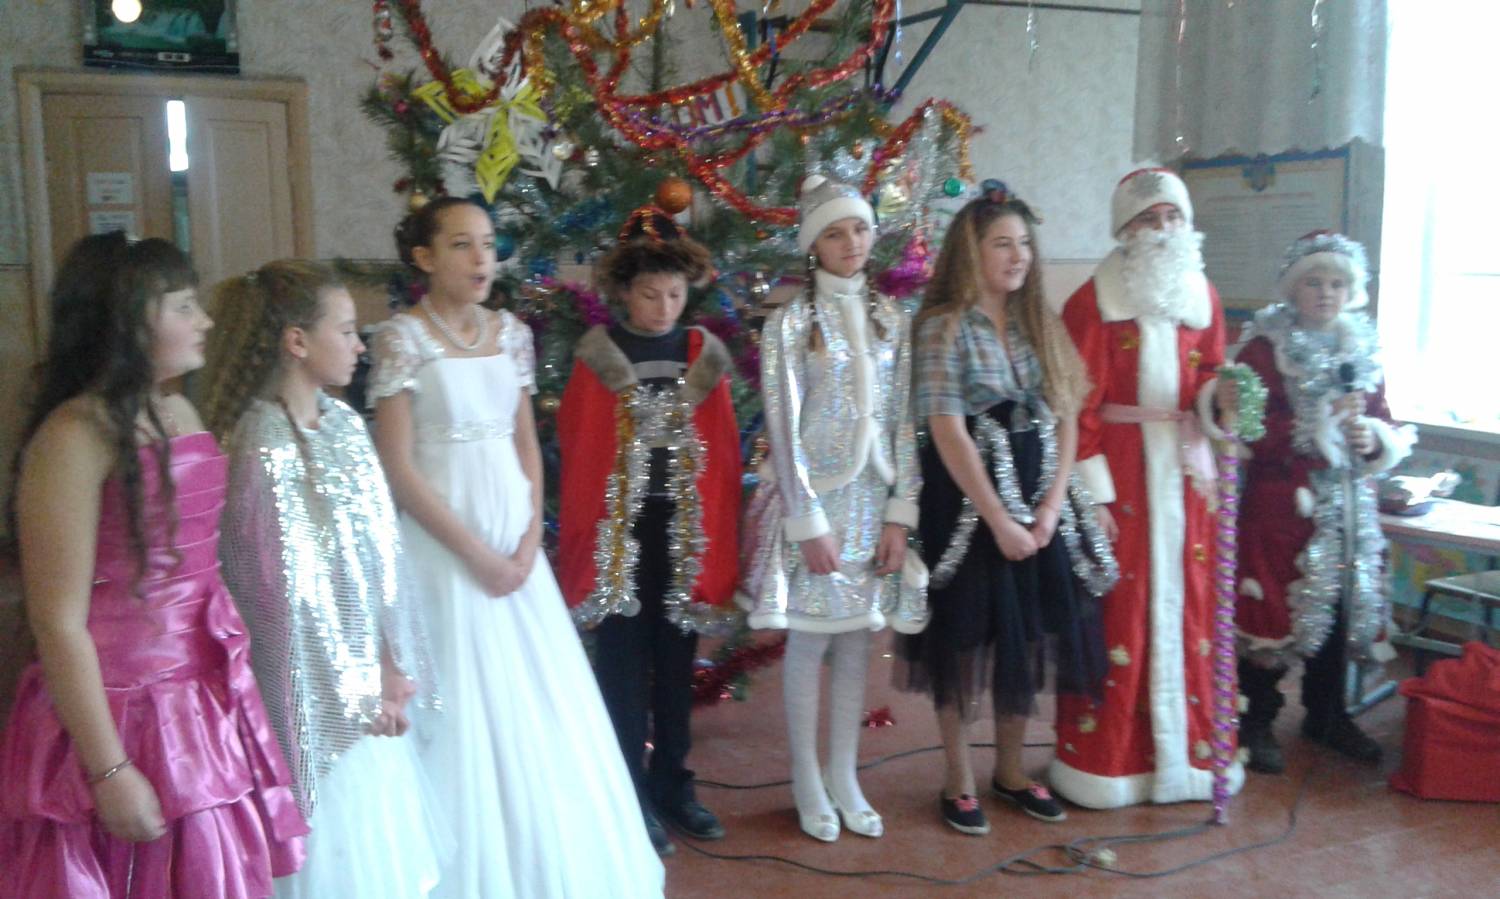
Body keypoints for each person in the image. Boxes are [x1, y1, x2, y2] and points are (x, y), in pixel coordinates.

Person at [368, 197, 663, 898]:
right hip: (445, 554)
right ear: (424, 257)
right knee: (461, 709)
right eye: (461, 245)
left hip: (516, 554)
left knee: (539, 707)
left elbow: (527, 441)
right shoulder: (401, 339)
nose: (481, 259)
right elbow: (397, 467)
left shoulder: (512, 334)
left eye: (488, 244)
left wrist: (530, 539)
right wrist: (474, 554)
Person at [0, 233, 307, 896]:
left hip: (199, 698)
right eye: (184, 305)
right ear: (126, 319)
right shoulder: (74, 435)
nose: (207, 320)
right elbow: (57, 621)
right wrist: (108, 770)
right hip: (116, 710)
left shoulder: (179, 409)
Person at [202, 260, 452, 897]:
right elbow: (286, 604)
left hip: (367, 680)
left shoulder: (342, 424)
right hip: (316, 699)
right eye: (344, 331)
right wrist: (359, 692)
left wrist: (392, 663)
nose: (359, 346)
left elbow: (383, 561)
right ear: (296, 341)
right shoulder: (261, 443)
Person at [897, 181, 1116, 835]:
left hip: (1037, 490)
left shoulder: (1038, 321)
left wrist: (1050, 507)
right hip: (968, 502)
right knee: (962, 638)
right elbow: (947, 429)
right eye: (1002, 244)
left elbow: (1068, 414)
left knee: (1025, 635)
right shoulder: (941, 326)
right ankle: (958, 776)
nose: (1018, 255)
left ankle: (1012, 771)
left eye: (1024, 243)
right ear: (972, 252)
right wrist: (997, 518)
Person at [1050, 167, 1246, 809]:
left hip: (1187, 479)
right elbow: (1075, 404)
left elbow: (1210, 373)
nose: (1162, 230)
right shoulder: (1093, 303)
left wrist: (1222, 398)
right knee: (1120, 612)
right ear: (1124, 230)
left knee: (1193, 607)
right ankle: (1110, 762)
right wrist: (1095, 496)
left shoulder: (1203, 296)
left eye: (1172, 217)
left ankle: (1191, 756)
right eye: (1148, 219)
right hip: (1123, 479)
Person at [739, 175, 927, 843]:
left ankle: (844, 773)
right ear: (813, 244)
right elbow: (783, 430)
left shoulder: (892, 319)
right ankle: (806, 778)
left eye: (861, 229)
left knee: (857, 638)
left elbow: (904, 419)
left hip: (872, 500)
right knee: (811, 635)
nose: (852, 243)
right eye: (836, 232)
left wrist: (901, 511)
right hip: (816, 502)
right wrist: (807, 521)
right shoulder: (791, 324)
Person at [557, 207, 741, 856]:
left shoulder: (702, 356)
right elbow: (582, 447)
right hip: (619, 538)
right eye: (648, 294)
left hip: (682, 535)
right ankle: (626, 791)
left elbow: (723, 455)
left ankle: (673, 784)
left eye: (674, 294)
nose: (663, 308)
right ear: (623, 294)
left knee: (675, 659)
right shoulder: (599, 357)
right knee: (623, 667)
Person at [1232, 231, 1414, 773]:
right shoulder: (1263, 348)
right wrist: (1314, 427)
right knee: (1271, 611)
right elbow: (1246, 426)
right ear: (1293, 287)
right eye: (1314, 282)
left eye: (1337, 283)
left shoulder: (1361, 346)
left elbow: (1384, 416)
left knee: (1340, 608)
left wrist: (1372, 438)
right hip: (1281, 507)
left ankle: (1328, 713)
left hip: (1349, 508)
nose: (1326, 293)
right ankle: (1256, 718)